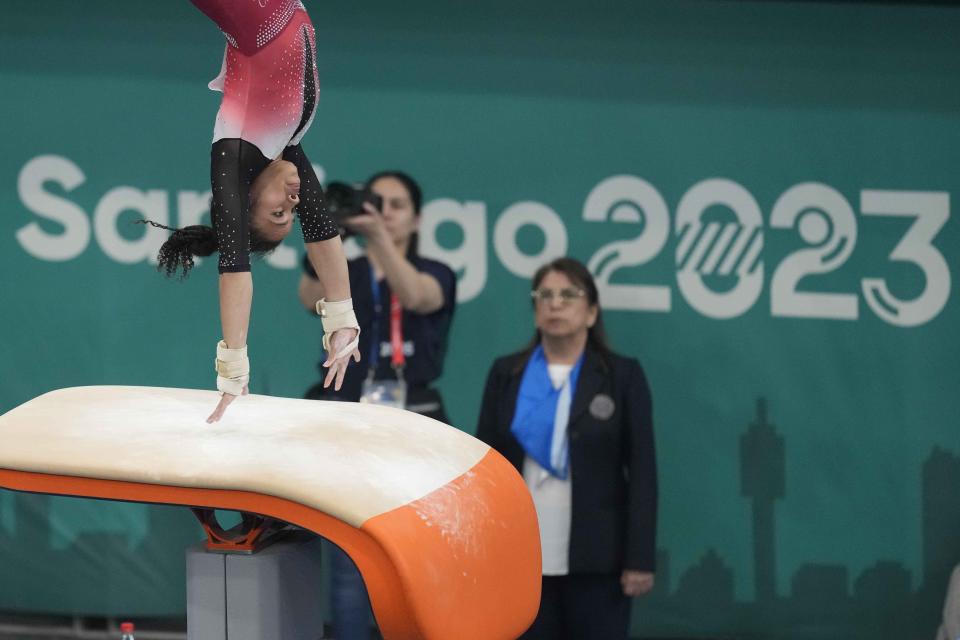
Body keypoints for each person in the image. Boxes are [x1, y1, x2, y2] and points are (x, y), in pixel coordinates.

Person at [145, 1, 360, 423]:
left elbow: (235, 267)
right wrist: (342, 321)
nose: (294, 205)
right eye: (291, 215)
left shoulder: (235, 152)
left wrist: (234, 367)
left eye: (277, 214)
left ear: (246, 205)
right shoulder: (286, 151)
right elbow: (322, 232)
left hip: (258, 22)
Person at [297, 171, 457, 639]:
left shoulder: (435, 271)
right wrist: (331, 237)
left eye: (396, 205)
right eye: (375, 201)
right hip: (350, 421)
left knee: (418, 556)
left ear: (417, 218)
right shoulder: (349, 271)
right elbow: (309, 298)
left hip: (416, 425)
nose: (383, 211)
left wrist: (379, 240)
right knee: (352, 556)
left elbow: (417, 297)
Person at [475, 257, 657, 640]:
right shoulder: (506, 374)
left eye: (568, 295)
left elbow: (642, 472)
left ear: (591, 312)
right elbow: (485, 471)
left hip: (598, 561)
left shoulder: (621, 376)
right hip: (520, 561)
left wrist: (638, 558)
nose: (555, 304)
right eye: (545, 295)